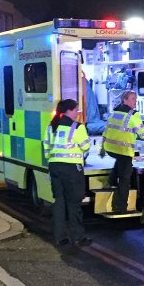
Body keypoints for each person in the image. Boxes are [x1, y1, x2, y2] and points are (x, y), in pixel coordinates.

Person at [43, 99, 92, 246]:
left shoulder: (51, 127)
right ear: (69, 111)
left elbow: (46, 147)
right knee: (74, 202)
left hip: (54, 167)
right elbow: (85, 147)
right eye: (76, 110)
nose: (77, 113)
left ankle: (59, 237)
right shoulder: (77, 127)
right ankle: (78, 237)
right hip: (71, 169)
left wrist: (52, 160)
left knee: (59, 201)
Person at [100, 90, 144, 213]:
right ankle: (121, 206)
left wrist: (102, 148)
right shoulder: (133, 115)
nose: (135, 102)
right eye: (132, 99)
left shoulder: (114, 113)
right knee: (125, 179)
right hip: (123, 150)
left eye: (135, 99)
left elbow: (106, 131)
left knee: (121, 162)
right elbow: (142, 133)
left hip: (111, 149)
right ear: (124, 100)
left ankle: (111, 180)